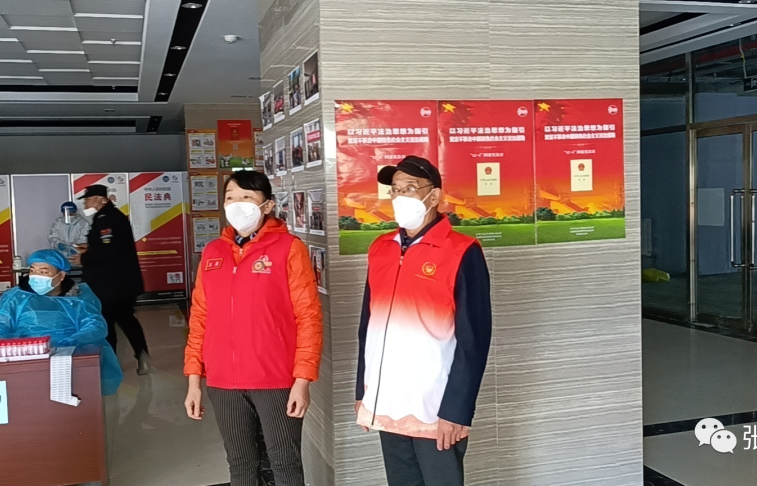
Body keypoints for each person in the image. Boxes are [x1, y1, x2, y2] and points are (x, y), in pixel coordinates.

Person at [355, 156, 492, 486]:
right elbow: (367, 326)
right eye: (395, 189)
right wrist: (363, 390)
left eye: (410, 188)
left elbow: (474, 341)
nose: (400, 196)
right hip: (388, 399)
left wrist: (457, 410)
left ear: (434, 196)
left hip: (435, 406)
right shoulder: (381, 249)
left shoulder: (462, 251)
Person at [184, 170, 323, 486]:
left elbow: (308, 317)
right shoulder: (213, 252)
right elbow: (200, 318)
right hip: (223, 382)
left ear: (268, 205)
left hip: (275, 380)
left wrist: (302, 380)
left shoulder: (289, 248)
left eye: (247, 197)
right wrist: (194, 380)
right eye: (230, 197)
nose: (237, 204)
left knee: (284, 464)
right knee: (240, 464)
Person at [0, 249, 122, 395]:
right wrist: (23, 345)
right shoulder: (16, 297)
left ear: (61, 275)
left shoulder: (78, 297)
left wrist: (71, 342)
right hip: (24, 358)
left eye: (43, 272)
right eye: (32, 271)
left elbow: (95, 325)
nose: (36, 276)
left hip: (70, 357)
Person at [71, 184, 151, 375]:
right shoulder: (109, 217)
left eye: (88, 200)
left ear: (100, 199)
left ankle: (111, 363)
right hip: (120, 283)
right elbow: (110, 246)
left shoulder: (107, 219)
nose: (85, 204)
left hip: (112, 285)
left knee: (108, 322)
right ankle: (142, 356)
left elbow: (110, 249)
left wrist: (85, 258)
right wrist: (89, 248)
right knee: (126, 319)